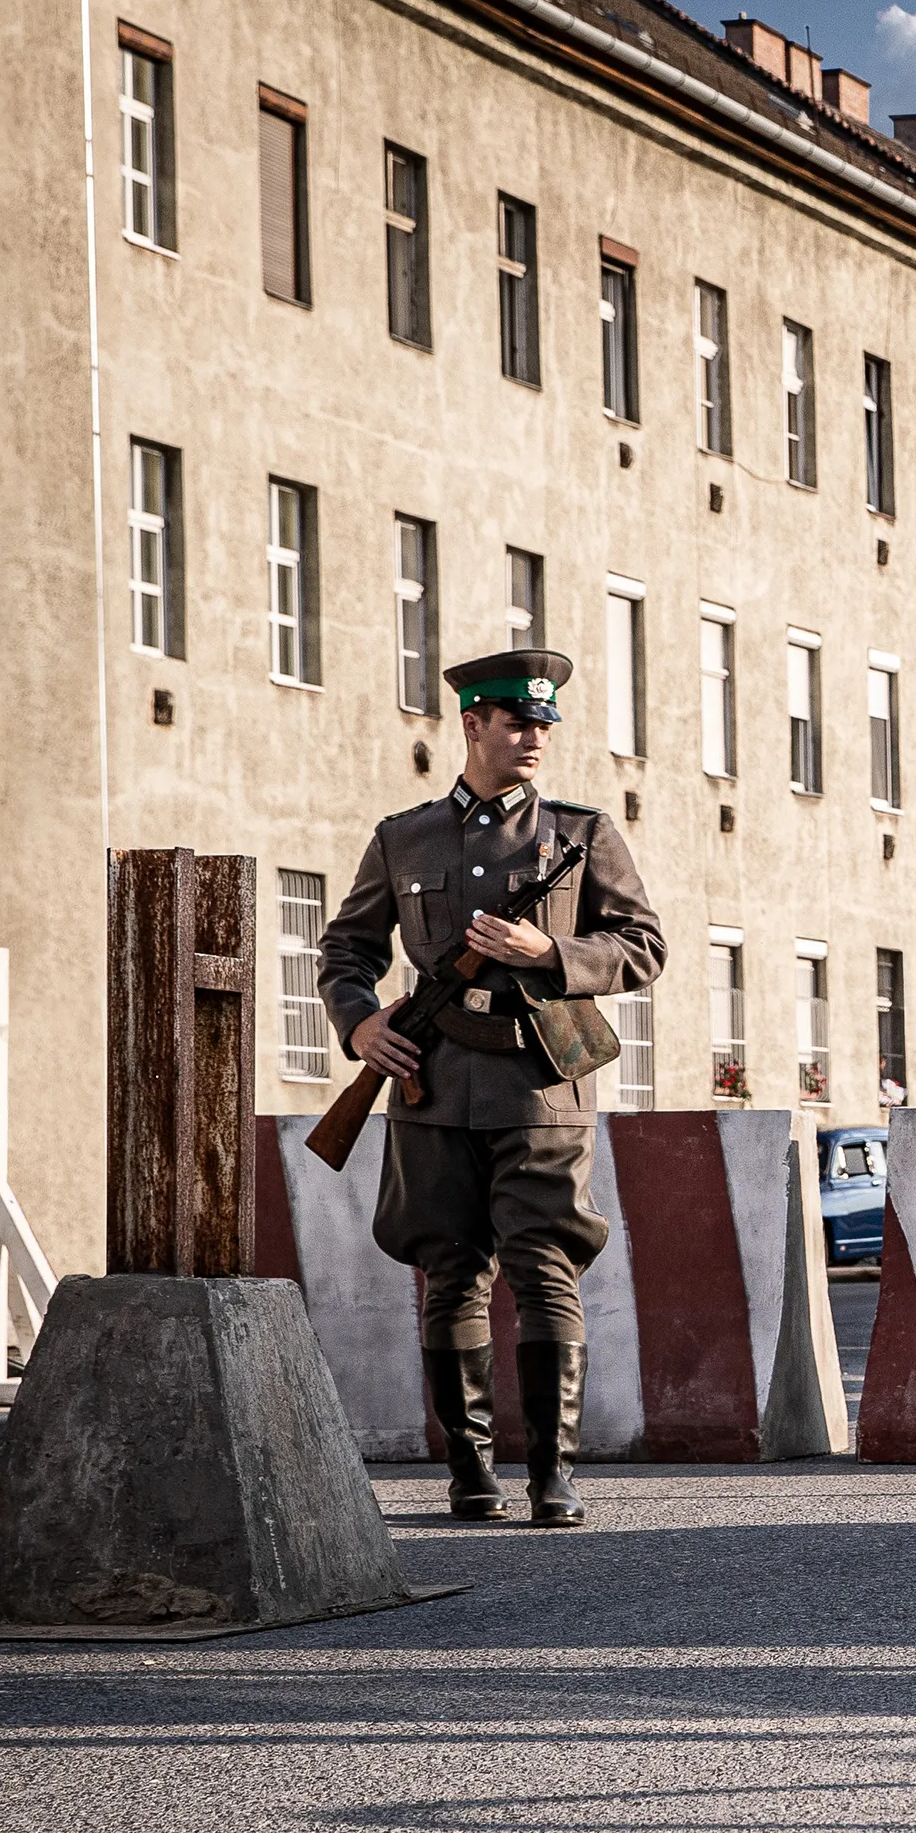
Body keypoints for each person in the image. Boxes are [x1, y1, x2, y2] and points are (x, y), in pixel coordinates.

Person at [321, 650, 666, 1527]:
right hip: (430, 1082)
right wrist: (360, 1022)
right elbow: (347, 949)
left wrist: (549, 952)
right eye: (517, 722)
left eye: (544, 724)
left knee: (545, 1266)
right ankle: (471, 1473)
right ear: (472, 725)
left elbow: (644, 947)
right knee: (449, 1273)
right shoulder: (406, 837)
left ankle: (554, 1476)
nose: (534, 737)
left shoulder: (580, 836)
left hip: (538, 1081)